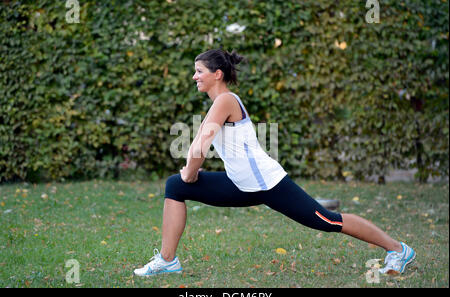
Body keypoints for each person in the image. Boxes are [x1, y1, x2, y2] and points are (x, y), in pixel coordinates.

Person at [133, 49, 415, 277]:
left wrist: (191, 173)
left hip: (267, 184)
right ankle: (168, 261)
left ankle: (398, 249)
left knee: (327, 220)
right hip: (240, 185)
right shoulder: (220, 102)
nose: (194, 76)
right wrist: (187, 176)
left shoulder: (225, 100)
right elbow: (202, 147)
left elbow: (199, 147)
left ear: (217, 74)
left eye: (199, 71)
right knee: (175, 186)